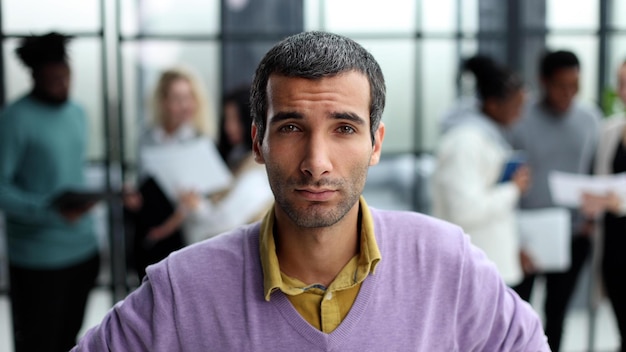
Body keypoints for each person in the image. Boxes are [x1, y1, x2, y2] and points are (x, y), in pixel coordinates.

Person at [72, 31, 548, 351]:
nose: (316, 162)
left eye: (344, 128)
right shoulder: (182, 288)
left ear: (376, 144)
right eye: (292, 126)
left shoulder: (449, 263)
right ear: (258, 141)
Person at [0, 32, 100, 352]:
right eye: (53, 79)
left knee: (71, 342)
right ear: (35, 77)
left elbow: (68, 173)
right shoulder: (14, 119)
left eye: (66, 76)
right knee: (38, 343)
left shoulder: (78, 113)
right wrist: (47, 208)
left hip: (84, 251)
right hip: (38, 259)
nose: (62, 84)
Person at [509, 49, 602, 351]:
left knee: (558, 313)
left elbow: (595, 172)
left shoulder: (590, 120)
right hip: (527, 231)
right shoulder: (520, 119)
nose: (568, 94)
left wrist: (590, 220)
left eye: (575, 86)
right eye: (561, 86)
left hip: (573, 233)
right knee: (517, 313)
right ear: (543, 82)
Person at [432, 55, 531, 287]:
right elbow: (464, 211)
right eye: (516, 106)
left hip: (488, 266)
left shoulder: (488, 136)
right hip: (473, 273)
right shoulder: (465, 142)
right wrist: (513, 189)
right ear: (493, 104)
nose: (520, 114)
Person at [123, 67, 223, 279]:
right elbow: (139, 181)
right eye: (177, 98)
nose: (184, 105)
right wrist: (131, 195)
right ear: (163, 101)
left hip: (183, 237)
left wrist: (173, 222)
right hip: (147, 232)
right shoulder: (145, 137)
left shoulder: (201, 141)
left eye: (189, 97)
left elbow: (209, 201)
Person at [179, 85, 273, 243]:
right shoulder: (237, 158)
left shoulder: (258, 169)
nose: (228, 127)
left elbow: (226, 221)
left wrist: (198, 207)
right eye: (227, 119)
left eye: (235, 119)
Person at [581, 59, 626, 352]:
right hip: (614, 247)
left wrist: (619, 202)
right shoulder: (609, 130)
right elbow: (598, 178)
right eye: (621, 83)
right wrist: (592, 202)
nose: (624, 90)